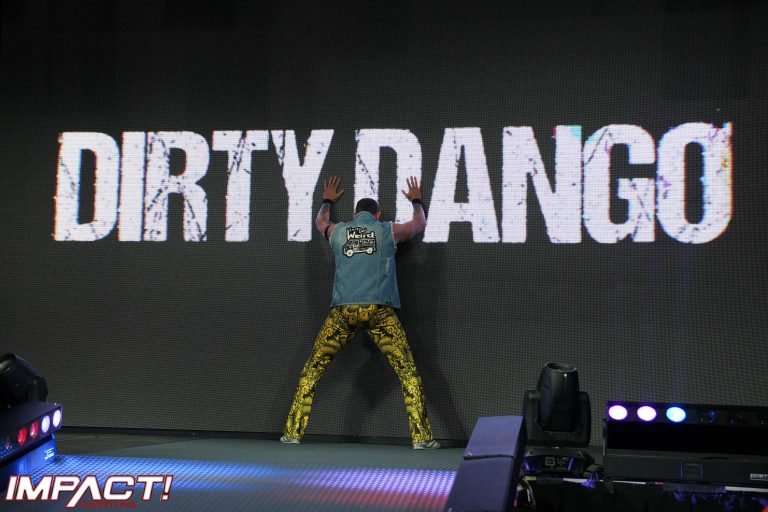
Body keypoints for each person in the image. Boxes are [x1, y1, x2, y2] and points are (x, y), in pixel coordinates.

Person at [281, 176, 439, 449]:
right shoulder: (387, 230)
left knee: (312, 370)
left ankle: (292, 434)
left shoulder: (338, 231)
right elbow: (419, 223)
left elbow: (320, 222)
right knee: (408, 374)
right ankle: (422, 438)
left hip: (343, 313)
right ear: (377, 215)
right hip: (378, 312)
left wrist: (327, 201)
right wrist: (416, 200)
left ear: (355, 215)